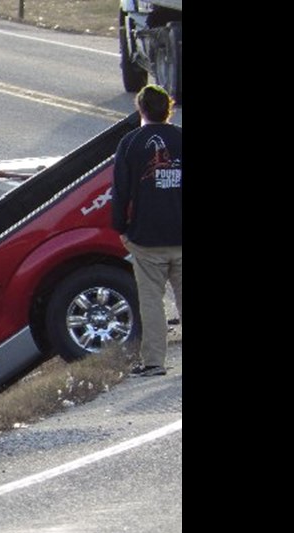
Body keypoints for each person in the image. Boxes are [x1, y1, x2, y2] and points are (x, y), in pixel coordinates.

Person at [112, 84, 182, 377]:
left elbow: (121, 191)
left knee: (152, 301)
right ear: (169, 108)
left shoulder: (130, 143)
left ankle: (155, 362)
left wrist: (121, 228)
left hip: (146, 237)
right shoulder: (180, 138)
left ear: (140, 109)